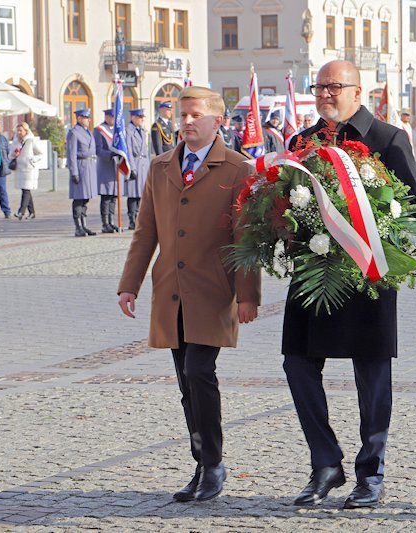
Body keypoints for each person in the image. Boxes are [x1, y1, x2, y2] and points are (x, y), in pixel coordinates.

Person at [117, 86, 261, 503]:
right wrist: (130, 284)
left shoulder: (237, 168)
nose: (186, 122)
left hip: (214, 290)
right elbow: (146, 231)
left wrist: (247, 295)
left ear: (218, 121)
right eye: (181, 115)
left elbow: (245, 237)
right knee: (185, 381)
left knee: (199, 371)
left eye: (195, 115)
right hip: (170, 291)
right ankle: (200, 463)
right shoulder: (161, 166)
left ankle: (214, 463)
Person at [284, 59, 416, 510]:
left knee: (372, 375)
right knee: (298, 364)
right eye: (319, 86)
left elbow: (409, 209)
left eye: (334, 86)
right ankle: (325, 463)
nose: (325, 93)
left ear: (358, 92)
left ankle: (370, 472)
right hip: (312, 274)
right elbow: (282, 199)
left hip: (367, 276)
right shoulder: (300, 142)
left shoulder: (387, 139)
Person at [66, 108, 98, 237]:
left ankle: (84, 224)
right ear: (79, 118)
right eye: (86, 118)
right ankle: (78, 226)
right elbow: (71, 154)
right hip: (80, 166)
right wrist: (74, 172)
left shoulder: (88, 132)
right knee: (79, 198)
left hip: (89, 166)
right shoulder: (74, 133)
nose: (88, 120)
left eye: (89, 118)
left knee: (85, 198)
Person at [9, 122, 43, 220]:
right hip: (19, 169)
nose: (19, 133)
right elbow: (10, 155)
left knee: (26, 190)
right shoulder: (15, 141)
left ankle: (21, 211)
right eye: (17, 131)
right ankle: (32, 212)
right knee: (25, 189)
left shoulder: (31, 141)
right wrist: (14, 155)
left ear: (26, 131)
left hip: (29, 169)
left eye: (21, 131)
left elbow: (41, 154)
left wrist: (32, 159)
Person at [94, 109, 120, 233]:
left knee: (113, 196)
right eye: (112, 117)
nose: (114, 120)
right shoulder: (99, 130)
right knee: (106, 196)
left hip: (115, 166)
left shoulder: (115, 130)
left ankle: (112, 221)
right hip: (105, 166)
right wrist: (111, 154)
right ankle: (105, 223)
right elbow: (98, 150)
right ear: (107, 117)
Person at [125, 108, 150, 230]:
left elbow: (146, 150)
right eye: (140, 117)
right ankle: (132, 219)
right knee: (133, 194)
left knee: (142, 194)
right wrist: (132, 167)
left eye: (143, 117)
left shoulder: (142, 131)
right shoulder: (128, 131)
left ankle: (140, 218)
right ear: (133, 118)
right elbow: (128, 150)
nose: (142, 120)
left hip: (143, 164)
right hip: (135, 163)